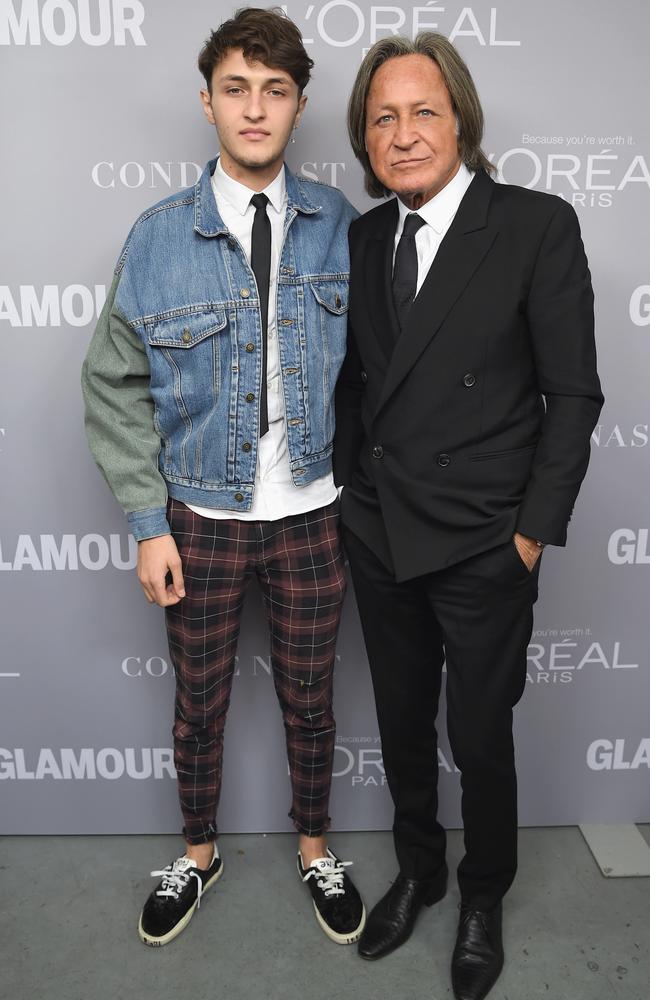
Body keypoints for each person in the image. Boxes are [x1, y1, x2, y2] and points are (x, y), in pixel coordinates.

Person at [82, 6, 364, 949]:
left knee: (313, 700)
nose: (256, 109)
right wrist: (145, 521)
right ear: (207, 102)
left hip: (314, 515)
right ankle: (197, 852)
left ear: (299, 105)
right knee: (197, 702)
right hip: (196, 518)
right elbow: (113, 384)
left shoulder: (341, 228)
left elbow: (382, 374)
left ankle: (315, 846)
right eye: (237, 89)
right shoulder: (158, 237)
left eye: (275, 92)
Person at [334, 32, 603, 1000]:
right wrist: (344, 494)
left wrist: (530, 531)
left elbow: (571, 395)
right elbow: (356, 387)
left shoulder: (533, 223)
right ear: (363, 140)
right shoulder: (363, 238)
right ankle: (420, 867)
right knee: (402, 723)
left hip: (488, 536)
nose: (402, 135)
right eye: (381, 119)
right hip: (378, 528)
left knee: (478, 731)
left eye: (422, 112)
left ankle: (482, 889)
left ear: (460, 121)